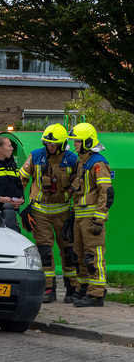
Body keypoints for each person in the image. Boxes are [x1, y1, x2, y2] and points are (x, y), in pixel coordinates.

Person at [18, 124, 78, 303]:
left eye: (54, 144)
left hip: (64, 213)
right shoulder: (35, 156)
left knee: (68, 251)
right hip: (39, 212)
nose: (50, 147)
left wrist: (75, 210)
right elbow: (22, 179)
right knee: (44, 251)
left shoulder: (72, 160)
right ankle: (48, 288)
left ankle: (72, 288)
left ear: (62, 144)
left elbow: (80, 186)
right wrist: (18, 202)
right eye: (47, 143)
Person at [67, 123, 113, 307]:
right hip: (80, 216)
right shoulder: (82, 161)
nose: (75, 144)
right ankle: (83, 289)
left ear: (86, 141)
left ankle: (96, 294)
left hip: (92, 218)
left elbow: (106, 192)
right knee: (79, 255)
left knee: (93, 256)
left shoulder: (97, 163)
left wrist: (100, 217)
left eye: (77, 141)